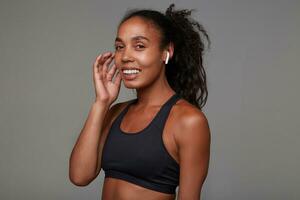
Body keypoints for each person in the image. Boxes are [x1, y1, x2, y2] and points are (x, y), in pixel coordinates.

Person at [69, 3, 211, 200]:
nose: (125, 56)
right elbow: (79, 176)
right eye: (119, 47)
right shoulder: (115, 112)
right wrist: (101, 103)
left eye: (139, 46)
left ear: (166, 52)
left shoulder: (189, 121)